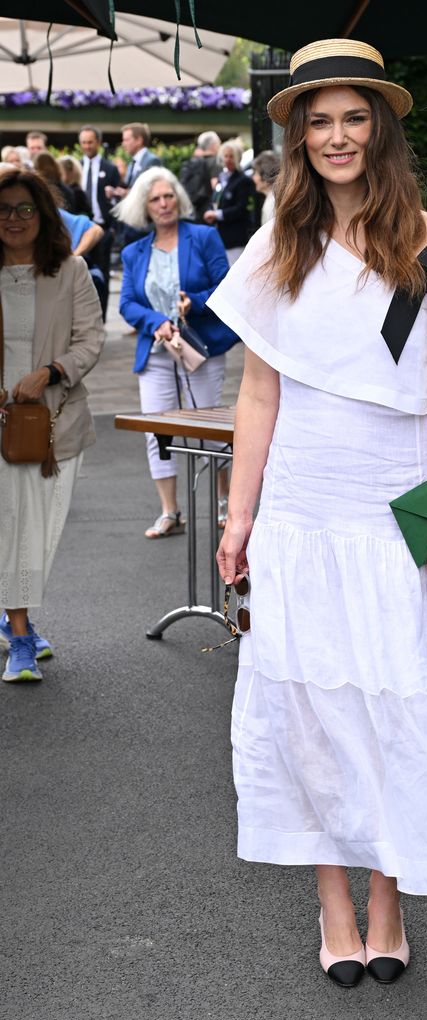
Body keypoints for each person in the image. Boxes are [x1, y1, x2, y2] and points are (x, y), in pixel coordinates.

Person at [207, 38, 427, 987]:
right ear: (297, 134)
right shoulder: (273, 245)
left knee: (401, 703)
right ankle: (334, 899)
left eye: (354, 118)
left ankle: (388, 896)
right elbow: (257, 397)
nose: (336, 136)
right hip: (301, 502)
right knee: (309, 704)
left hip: (403, 500)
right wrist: (238, 516)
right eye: (318, 120)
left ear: (381, 129)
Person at [0, 168, 105, 682]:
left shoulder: (70, 270)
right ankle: (20, 634)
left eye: (24, 208)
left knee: (41, 535)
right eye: (2, 210)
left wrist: (48, 371)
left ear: (43, 214)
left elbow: (91, 339)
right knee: (10, 531)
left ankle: (11, 612)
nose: (13, 219)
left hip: (52, 426)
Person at [116, 168, 240, 538]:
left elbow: (226, 285)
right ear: (145, 207)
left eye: (169, 196)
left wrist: (195, 302)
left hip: (198, 349)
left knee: (209, 428)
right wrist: (155, 320)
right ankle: (170, 512)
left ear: (179, 199)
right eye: (155, 199)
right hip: (156, 352)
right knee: (157, 430)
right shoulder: (133, 252)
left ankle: (225, 505)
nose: (164, 204)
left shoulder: (203, 236)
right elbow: (126, 303)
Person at [78, 125, 121, 317]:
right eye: (84, 142)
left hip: (103, 228)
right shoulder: (76, 166)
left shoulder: (110, 168)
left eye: (90, 142)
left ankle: (100, 318)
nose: (87, 146)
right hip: (81, 230)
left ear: (98, 143)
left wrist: (112, 229)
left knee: (102, 275)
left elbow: (118, 201)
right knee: (79, 274)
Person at [203, 139, 255, 264]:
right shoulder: (222, 177)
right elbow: (215, 200)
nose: (228, 160)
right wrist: (211, 211)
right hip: (220, 236)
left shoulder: (243, 181)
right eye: (225, 156)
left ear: (238, 158)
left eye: (231, 156)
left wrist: (217, 214)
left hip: (235, 238)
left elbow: (240, 209)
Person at [179, 131, 222, 223]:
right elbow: (213, 185)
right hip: (206, 211)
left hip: (191, 209)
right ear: (214, 145)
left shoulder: (192, 161)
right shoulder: (216, 162)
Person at [251, 150, 280, 224]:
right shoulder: (275, 198)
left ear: (265, 176)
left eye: (256, 173)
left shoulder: (272, 204)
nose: (253, 178)